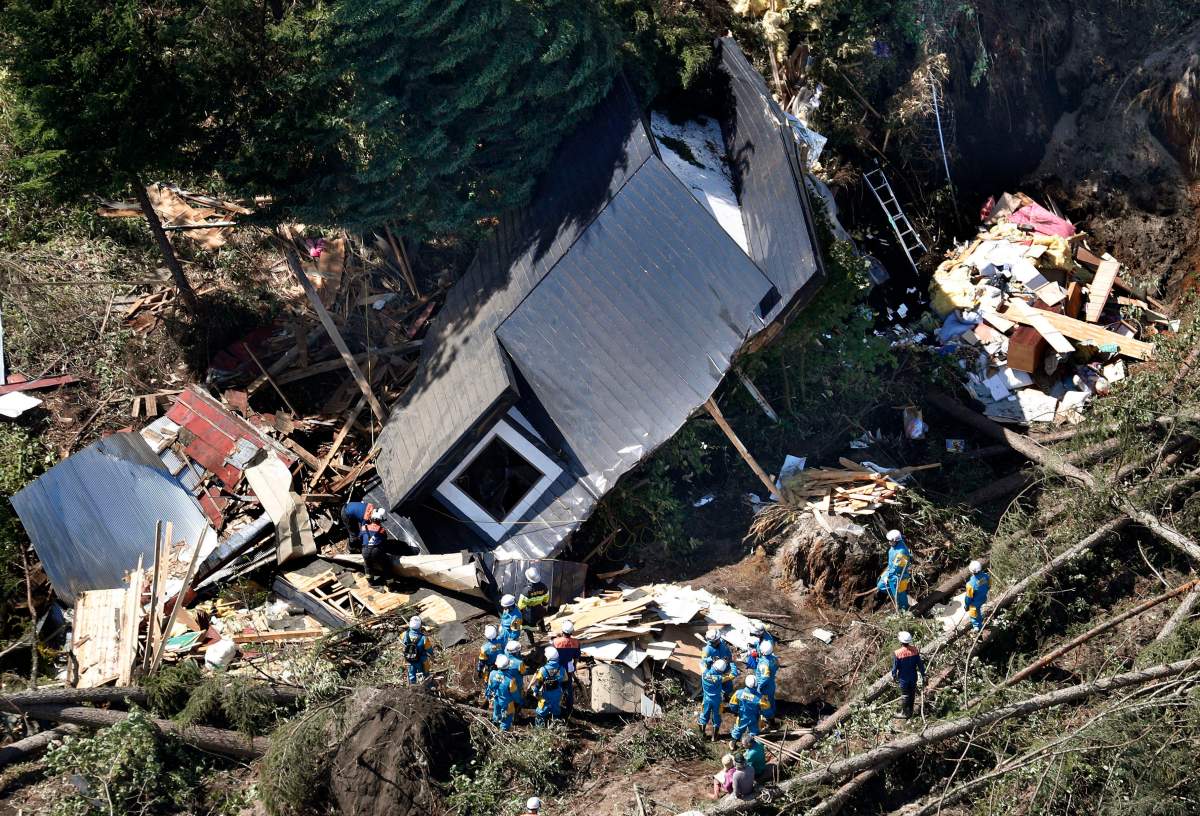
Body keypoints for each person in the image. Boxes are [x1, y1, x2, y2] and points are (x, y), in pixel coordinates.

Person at [891, 631, 927, 719]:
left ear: (900, 641)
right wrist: (924, 675)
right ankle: (910, 711)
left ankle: (904, 713)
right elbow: (920, 664)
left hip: (904, 678)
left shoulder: (897, 653)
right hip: (913, 676)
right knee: (912, 693)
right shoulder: (914, 650)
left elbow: (895, 667)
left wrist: (894, 675)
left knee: (905, 694)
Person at [876, 529, 913, 612]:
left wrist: (888, 576)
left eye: (890, 541)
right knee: (880, 585)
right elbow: (891, 565)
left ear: (896, 540)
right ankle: (896, 597)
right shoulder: (894, 546)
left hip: (899, 577)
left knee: (900, 595)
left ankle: (905, 611)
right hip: (891, 573)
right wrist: (884, 575)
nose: (889, 542)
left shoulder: (902, 552)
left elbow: (897, 568)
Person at [727, 674, 770, 742]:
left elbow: (732, 704)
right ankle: (750, 743)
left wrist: (736, 710)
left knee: (738, 729)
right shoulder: (760, 697)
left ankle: (733, 742)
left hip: (742, 717)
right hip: (754, 718)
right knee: (754, 731)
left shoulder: (738, 693)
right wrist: (764, 715)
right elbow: (767, 708)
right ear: (756, 685)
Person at [698, 658, 732, 740]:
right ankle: (714, 737)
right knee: (717, 717)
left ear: (713, 665)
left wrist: (710, 659)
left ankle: (702, 735)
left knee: (704, 716)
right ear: (721, 671)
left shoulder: (704, 672)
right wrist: (732, 664)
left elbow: (701, 662)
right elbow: (733, 674)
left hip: (706, 699)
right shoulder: (720, 678)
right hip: (717, 701)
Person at [552, 620, 582, 715]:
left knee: (556, 686)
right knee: (568, 687)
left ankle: (556, 706)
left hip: (557, 667)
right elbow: (576, 657)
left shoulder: (556, 642)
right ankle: (569, 708)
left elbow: (552, 654)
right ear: (571, 632)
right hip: (569, 667)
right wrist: (574, 666)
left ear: (562, 631)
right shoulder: (576, 642)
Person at [530, 646, 565, 726]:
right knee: (556, 709)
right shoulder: (561, 668)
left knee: (541, 711)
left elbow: (539, 683)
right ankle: (557, 726)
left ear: (548, 657)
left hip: (546, 694)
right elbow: (564, 681)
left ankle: (540, 728)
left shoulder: (543, 670)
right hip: (557, 693)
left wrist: (535, 691)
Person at [486, 654, 520, 731]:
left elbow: (490, 686)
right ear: (508, 665)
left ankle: (494, 726)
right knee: (506, 718)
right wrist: (518, 701)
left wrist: (488, 695)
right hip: (507, 703)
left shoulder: (492, 674)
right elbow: (514, 693)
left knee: (496, 713)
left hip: (497, 699)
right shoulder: (511, 680)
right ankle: (502, 733)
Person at [517, 568, 551, 637]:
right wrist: (544, 606)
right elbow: (546, 598)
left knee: (528, 627)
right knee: (541, 619)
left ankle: (531, 641)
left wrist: (519, 613)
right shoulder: (544, 587)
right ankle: (543, 630)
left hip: (529, 611)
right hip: (539, 608)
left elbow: (521, 605)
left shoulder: (526, 591)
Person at [402, 616, 431, 684]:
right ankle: (428, 686)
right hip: (422, 660)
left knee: (411, 675)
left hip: (410, 659)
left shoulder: (404, 635)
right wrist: (432, 655)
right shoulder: (424, 638)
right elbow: (429, 649)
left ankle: (412, 687)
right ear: (420, 625)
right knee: (426, 674)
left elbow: (403, 643)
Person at [755, 640, 779, 721]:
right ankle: (774, 710)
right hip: (771, 683)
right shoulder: (774, 658)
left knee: (764, 701)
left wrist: (759, 686)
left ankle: (768, 716)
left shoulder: (764, 664)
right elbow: (777, 666)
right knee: (771, 699)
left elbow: (765, 677)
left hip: (765, 686)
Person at [964, 560, 990, 631]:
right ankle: (980, 619)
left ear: (971, 571)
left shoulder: (970, 585)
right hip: (983, 597)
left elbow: (968, 598)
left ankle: (977, 626)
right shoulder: (986, 576)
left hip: (976, 602)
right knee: (978, 609)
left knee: (973, 611)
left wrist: (966, 606)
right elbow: (989, 585)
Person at [504, 639, 527, 705]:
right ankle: (520, 703)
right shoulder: (519, 663)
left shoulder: (504, 658)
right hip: (517, 681)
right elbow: (523, 672)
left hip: (506, 680)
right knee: (518, 693)